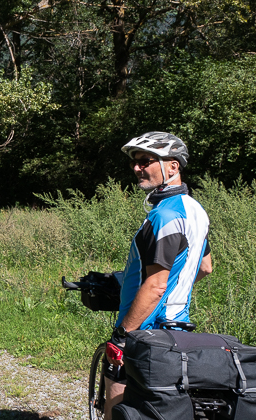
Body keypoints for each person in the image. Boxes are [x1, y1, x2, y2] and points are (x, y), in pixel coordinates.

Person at [104, 131, 213, 416]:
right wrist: (176, 290)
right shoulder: (195, 211)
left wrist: (122, 334)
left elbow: (155, 286)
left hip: (146, 327)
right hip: (178, 326)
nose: (137, 168)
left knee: (117, 381)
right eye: (134, 162)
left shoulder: (164, 216)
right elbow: (205, 267)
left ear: (173, 166)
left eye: (145, 161)